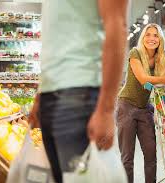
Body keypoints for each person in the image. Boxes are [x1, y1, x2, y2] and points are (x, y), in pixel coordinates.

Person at [29, 1, 129, 183]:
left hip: (81, 94)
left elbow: (117, 23)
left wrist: (106, 109)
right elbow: (57, 35)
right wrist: (41, 93)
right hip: (51, 95)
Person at [116, 23, 165, 183]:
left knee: (151, 154)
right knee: (127, 156)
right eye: (148, 34)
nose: (151, 38)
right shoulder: (135, 53)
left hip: (145, 108)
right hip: (127, 106)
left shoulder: (161, 58)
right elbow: (143, 79)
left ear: (160, 39)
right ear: (143, 37)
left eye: (155, 35)